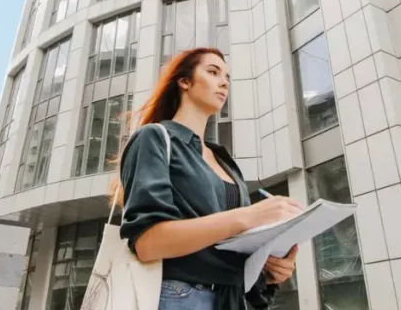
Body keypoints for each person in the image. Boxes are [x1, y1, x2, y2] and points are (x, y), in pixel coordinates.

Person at [111, 47, 303, 310]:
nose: (224, 82)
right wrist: (250, 216)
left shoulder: (225, 161)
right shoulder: (154, 138)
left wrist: (268, 269)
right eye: (213, 72)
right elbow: (148, 243)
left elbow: (225, 245)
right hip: (177, 296)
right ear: (184, 81)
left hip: (231, 300)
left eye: (227, 78)